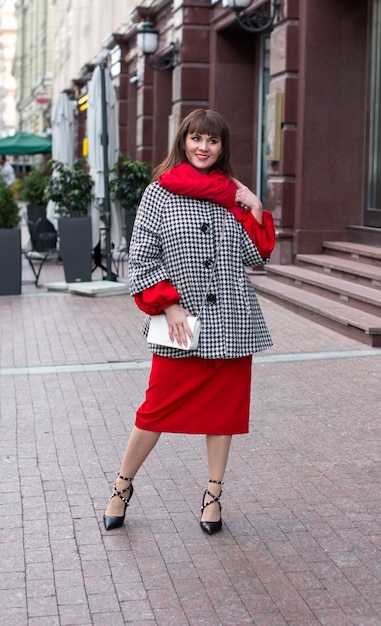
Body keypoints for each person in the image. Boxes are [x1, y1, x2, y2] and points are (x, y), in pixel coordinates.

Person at [103, 109, 276, 535]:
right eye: (196, 138)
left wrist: (255, 207)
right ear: (183, 142)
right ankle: (121, 488)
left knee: (223, 415)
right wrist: (168, 305)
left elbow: (256, 256)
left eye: (212, 141)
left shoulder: (231, 195)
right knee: (153, 411)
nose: (203, 147)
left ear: (222, 148)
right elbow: (141, 257)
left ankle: (213, 497)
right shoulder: (159, 193)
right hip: (183, 326)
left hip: (232, 324)